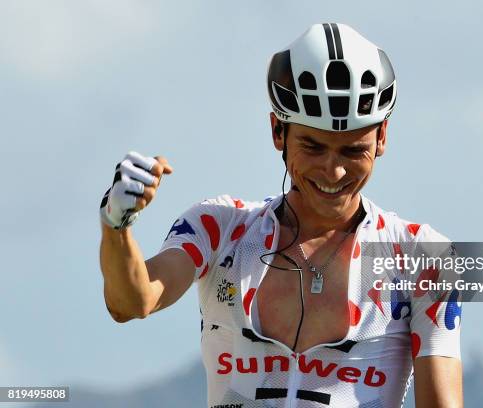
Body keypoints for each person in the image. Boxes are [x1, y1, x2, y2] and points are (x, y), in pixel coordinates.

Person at [100, 23, 463, 407]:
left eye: (354, 151)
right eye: (313, 145)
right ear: (278, 131)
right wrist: (117, 223)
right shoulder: (220, 227)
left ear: (382, 137)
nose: (333, 171)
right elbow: (132, 302)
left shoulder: (424, 258)